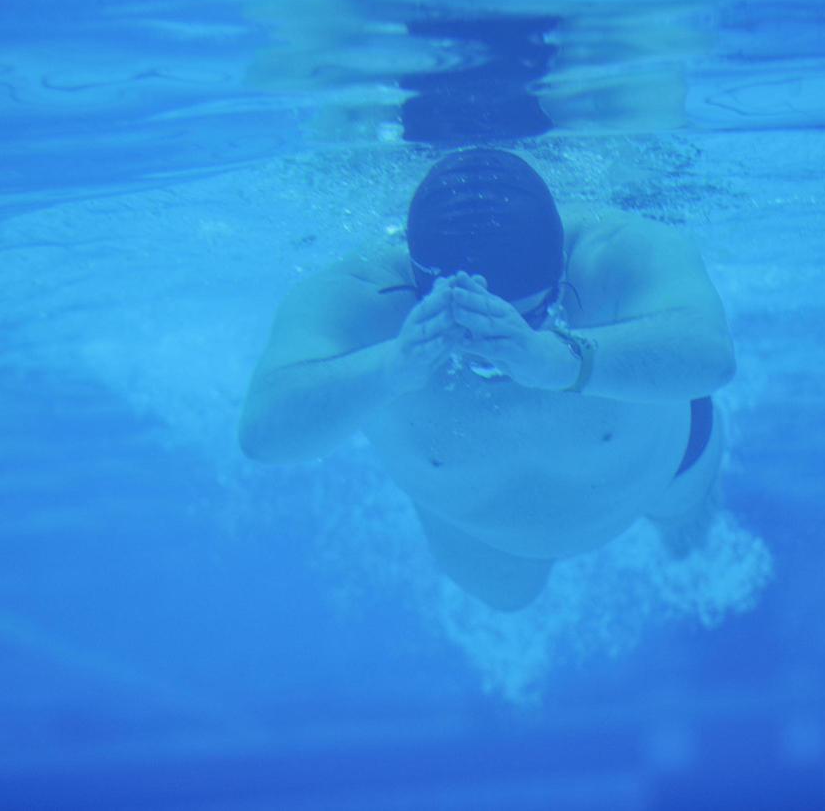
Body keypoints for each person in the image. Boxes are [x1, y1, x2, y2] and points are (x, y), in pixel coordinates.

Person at [238, 148, 735, 610]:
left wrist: (557, 358)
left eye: (531, 317)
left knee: (689, 539)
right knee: (509, 599)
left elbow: (710, 356)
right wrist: (389, 369)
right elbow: (263, 434)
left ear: (563, 271)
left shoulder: (613, 251)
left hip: (664, 468)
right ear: (415, 288)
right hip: (480, 536)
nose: (495, 361)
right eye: (464, 335)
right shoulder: (362, 298)